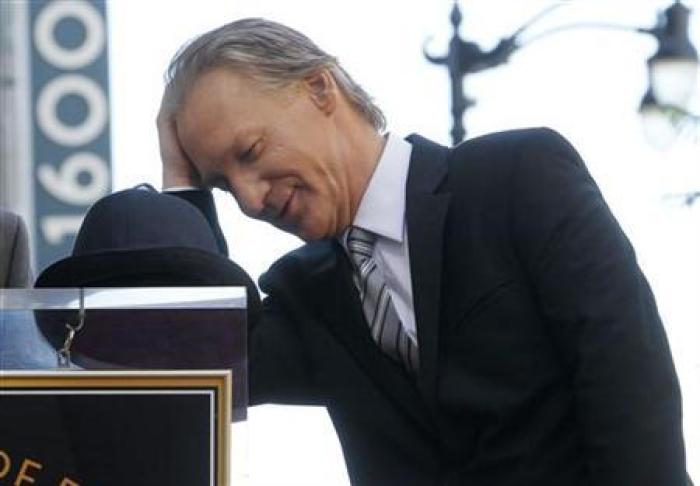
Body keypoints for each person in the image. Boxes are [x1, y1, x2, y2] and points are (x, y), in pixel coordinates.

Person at [156, 18, 688, 485]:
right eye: (224, 186)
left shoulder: (517, 179)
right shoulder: (305, 296)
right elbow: (187, 370)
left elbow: (632, 391)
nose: (249, 199)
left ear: (319, 89)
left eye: (249, 152)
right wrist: (183, 190)